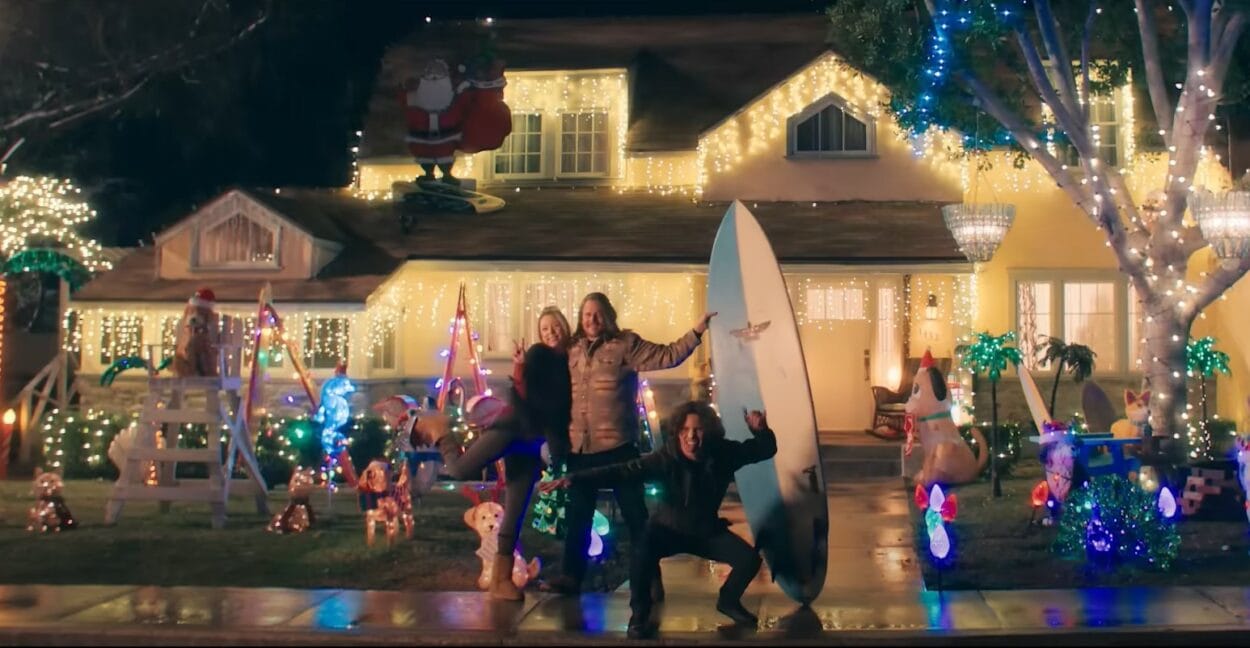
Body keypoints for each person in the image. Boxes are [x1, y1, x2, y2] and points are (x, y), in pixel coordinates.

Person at [539, 402, 776, 639]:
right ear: (678, 433)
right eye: (685, 430)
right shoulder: (666, 457)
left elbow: (763, 450)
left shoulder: (723, 453)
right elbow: (623, 470)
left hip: (705, 532)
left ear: (709, 432)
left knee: (749, 561)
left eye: (698, 430)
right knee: (641, 551)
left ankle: (728, 601)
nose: (691, 436)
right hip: (667, 530)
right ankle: (640, 615)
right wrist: (576, 478)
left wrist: (760, 430)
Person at [545, 291, 716, 598]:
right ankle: (571, 577)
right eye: (586, 315)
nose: (592, 320)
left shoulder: (625, 345)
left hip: (619, 449)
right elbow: (543, 366)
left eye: (597, 314)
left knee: (637, 518)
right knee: (579, 517)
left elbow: (667, 355)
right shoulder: (570, 349)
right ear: (580, 318)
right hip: (581, 450)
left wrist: (696, 332)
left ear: (608, 316)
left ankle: (650, 579)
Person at [415, 306, 573, 601]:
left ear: (565, 327)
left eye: (555, 327)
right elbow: (531, 394)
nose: (551, 332)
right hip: (514, 427)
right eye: (545, 328)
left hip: (532, 442)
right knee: (461, 470)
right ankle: (440, 432)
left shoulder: (571, 359)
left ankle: (501, 579)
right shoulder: (541, 354)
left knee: (515, 511)